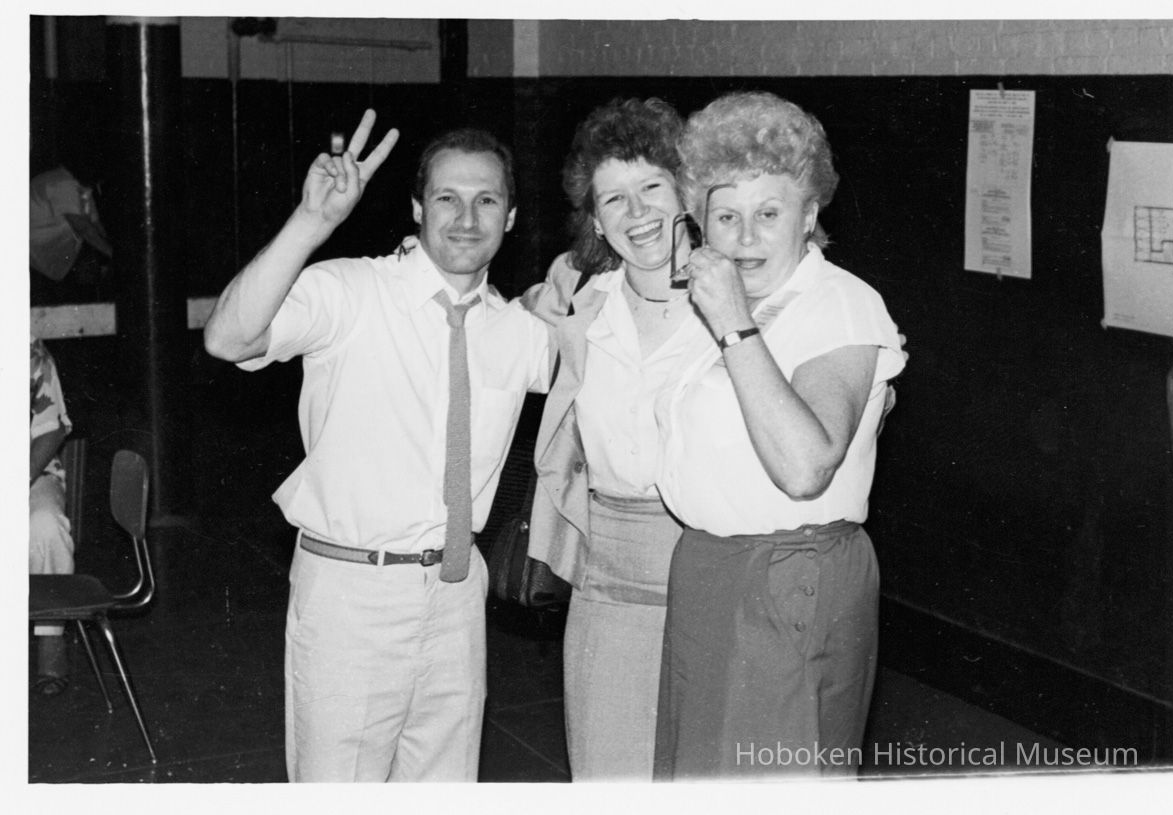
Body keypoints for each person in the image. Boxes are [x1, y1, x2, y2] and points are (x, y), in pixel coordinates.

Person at [204, 110, 550, 782]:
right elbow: (228, 338)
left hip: (456, 593)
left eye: (487, 200)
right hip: (351, 593)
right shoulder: (350, 291)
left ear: (510, 217)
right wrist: (312, 222)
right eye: (447, 197)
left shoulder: (520, 328)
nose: (467, 217)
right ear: (418, 206)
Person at [652, 91, 906, 779]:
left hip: (790, 581)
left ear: (811, 215)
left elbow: (805, 466)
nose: (745, 236)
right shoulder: (716, 305)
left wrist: (736, 324)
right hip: (711, 573)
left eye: (769, 213)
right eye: (725, 216)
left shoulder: (841, 304)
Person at [520, 98, 706, 780]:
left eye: (652, 187)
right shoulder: (579, 296)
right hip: (609, 576)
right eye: (615, 199)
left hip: (717, 568)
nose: (638, 213)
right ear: (596, 219)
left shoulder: (742, 290)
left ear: (686, 191)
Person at [30, 337, 76, 696]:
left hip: (31, 472)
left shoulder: (29, 349)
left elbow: (51, 429)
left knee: (45, 527)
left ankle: (50, 649)